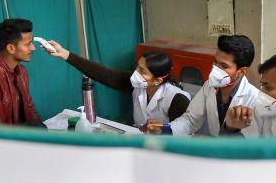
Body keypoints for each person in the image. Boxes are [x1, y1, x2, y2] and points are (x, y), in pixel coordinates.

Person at [46, 42, 190, 126]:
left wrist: (161, 130)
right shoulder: (138, 85)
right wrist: (66, 54)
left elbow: (182, 137)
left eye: (142, 71)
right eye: (137, 67)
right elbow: (102, 74)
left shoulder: (177, 99)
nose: (136, 74)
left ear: (158, 80)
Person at [148, 34, 265, 136]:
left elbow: (244, 145)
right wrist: (164, 129)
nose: (216, 70)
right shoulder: (209, 86)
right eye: (215, 62)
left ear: (241, 72)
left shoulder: (254, 101)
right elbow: (190, 120)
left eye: (224, 66)